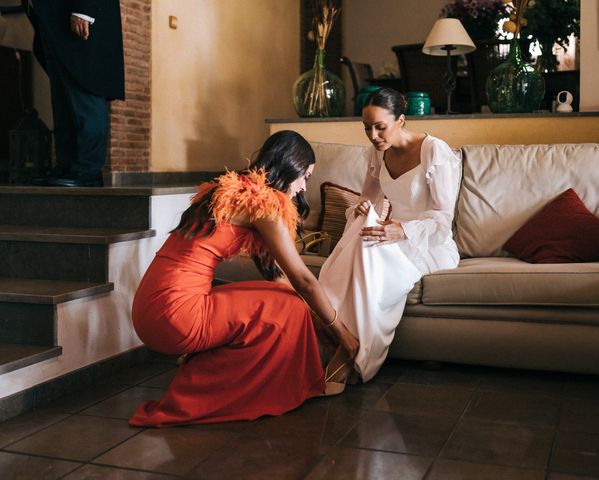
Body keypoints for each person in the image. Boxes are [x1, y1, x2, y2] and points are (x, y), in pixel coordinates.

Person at [129, 131, 359, 427]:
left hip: (150, 305)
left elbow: (278, 280)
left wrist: (315, 322)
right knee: (288, 305)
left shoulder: (232, 190)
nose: (303, 188)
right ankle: (262, 388)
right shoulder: (264, 203)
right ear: (291, 166)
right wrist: (342, 333)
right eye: (306, 177)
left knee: (287, 303)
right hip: (175, 313)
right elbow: (302, 278)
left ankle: (242, 375)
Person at [319, 88, 461, 383]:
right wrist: (362, 209)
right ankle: (339, 343)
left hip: (427, 243)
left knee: (368, 258)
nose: (373, 135)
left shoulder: (435, 151)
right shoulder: (377, 152)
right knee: (362, 239)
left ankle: (353, 355)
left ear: (401, 120)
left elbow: (443, 219)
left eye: (380, 127)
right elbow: (368, 198)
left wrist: (403, 230)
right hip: (390, 233)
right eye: (366, 128)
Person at [26, 0, 125, 187]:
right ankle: (67, 166)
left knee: (85, 95)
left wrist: (84, 10)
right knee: (62, 102)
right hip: (52, 21)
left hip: (77, 15)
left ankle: (88, 170)